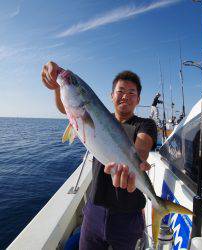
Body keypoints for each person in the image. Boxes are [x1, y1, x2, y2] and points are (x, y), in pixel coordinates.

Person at [41, 61, 157, 250]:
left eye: (131, 93)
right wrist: (57, 86)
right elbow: (67, 108)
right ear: (111, 96)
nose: (125, 96)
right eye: (120, 91)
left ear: (138, 99)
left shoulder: (145, 124)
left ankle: (158, 204)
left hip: (128, 216)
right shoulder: (98, 115)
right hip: (94, 210)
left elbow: (141, 148)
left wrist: (138, 163)